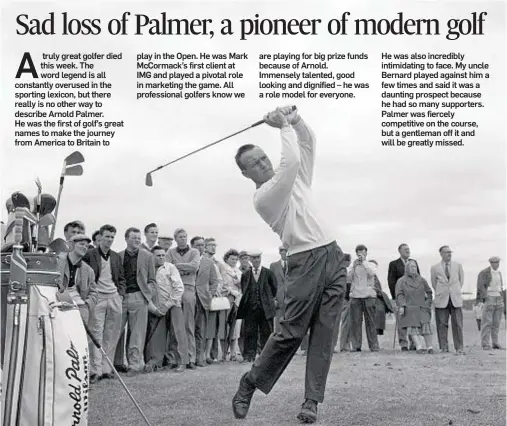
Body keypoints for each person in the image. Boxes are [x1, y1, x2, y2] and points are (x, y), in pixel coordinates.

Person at [231, 106, 347, 424]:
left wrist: (295, 121)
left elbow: (307, 144)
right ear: (246, 174)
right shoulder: (264, 196)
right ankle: (249, 383)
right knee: (290, 334)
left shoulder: (297, 180)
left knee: (325, 333)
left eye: (263, 157)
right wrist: (282, 125)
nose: (262, 163)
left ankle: (311, 402)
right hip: (304, 260)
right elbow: (292, 159)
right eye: (253, 164)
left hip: (334, 256)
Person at [84, 224, 126, 383]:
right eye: (107, 236)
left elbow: (121, 278)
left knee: (112, 333)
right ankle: (95, 370)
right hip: (98, 297)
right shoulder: (90, 255)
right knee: (96, 333)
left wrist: (120, 294)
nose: (109, 240)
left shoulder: (115, 256)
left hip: (114, 297)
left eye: (112, 237)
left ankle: (107, 368)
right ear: (100, 237)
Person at [114, 227, 157, 376]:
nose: (137, 240)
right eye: (134, 238)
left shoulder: (147, 256)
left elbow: (152, 279)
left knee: (137, 334)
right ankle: (113, 365)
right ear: (126, 239)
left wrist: (148, 294)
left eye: (139, 238)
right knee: (115, 331)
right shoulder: (118, 256)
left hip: (139, 297)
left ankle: (134, 365)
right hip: (121, 297)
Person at [145, 246, 188, 373]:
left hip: (173, 304)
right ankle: (157, 362)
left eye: (163, 255)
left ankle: (182, 362)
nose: (161, 258)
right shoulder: (149, 269)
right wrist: (155, 308)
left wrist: (167, 305)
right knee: (157, 335)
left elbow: (179, 288)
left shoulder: (170, 267)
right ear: (152, 256)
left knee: (177, 334)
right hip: (157, 307)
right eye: (158, 255)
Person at [166, 229, 201, 369]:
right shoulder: (170, 252)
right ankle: (176, 359)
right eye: (180, 237)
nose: (183, 239)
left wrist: (177, 267)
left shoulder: (194, 252)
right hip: (174, 289)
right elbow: (168, 269)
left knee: (188, 325)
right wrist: (182, 269)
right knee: (176, 326)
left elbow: (194, 267)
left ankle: (190, 358)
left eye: (185, 236)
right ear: (175, 238)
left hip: (188, 288)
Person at [236, 251, 277, 363]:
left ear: (261, 258)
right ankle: (249, 356)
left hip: (265, 309)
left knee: (267, 332)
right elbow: (245, 289)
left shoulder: (268, 273)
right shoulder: (245, 275)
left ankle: (266, 356)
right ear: (250, 259)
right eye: (253, 258)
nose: (256, 260)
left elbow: (274, 289)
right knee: (249, 332)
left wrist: (266, 301)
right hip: (250, 309)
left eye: (258, 258)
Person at [430, 246, 465, 354]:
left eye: (450, 252)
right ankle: (443, 347)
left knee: (458, 324)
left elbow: (461, 280)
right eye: (446, 252)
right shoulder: (435, 267)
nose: (449, 254)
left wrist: (455, 291)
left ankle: (459, 347)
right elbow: (434, 283)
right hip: (441, 299)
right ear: (441, 254)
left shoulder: (458, 266)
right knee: (441, 324)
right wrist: (442, 292)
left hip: (455, 298)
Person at [396, 260, 434, 353]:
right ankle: (419, 347)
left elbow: (429, 292)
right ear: (407, 268)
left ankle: (430, 347)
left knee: (426, 327)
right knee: (413, 328)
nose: (414, 268)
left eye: (415, 267)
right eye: (412, 267)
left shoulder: (422, 280)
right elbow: (399, 295)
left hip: (422, 307)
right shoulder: (401, 281)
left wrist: (428, 303)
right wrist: (402, 306)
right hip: (410, 307)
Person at [387, 244, 420, 351]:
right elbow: (391, 281)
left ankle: (414, 343)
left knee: (413, 320)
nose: (408, 251)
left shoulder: (413, 262)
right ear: (399, 251)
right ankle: (403, 344)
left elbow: (418, 279)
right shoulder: (393, 264)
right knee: (401, 321)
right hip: (400, 296)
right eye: (405, 249)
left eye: (408, 249)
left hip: (413, 297)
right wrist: (395, 297)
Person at [193, 237, 220, 367]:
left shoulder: (209, 263)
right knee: (187, 329)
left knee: (200, 330)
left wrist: (210, 294)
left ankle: (200, 357)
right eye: (197, 245)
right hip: (188, 299)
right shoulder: (187, 261)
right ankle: (188, 358)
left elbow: (214, 281)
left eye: (202, 245)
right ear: (192, 246)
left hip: (203, 300)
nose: (200, 248)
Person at [60, 234, 98, 323]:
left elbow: (94, 293)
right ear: (71, 245)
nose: (85, 247)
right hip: (58, 302)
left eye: (87, 246)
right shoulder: (57, 261)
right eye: (81, 244)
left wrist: (86, 304)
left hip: (79, 306)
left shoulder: (89, 270)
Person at [348, 245, 379, 352]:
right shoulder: (354, 265)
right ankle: (356, 346)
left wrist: (364, 262)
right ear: (356, 253)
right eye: (359, 253)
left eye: (363, 252)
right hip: (356, 296)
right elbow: (348, 278)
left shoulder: (371, 264)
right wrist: (353, 266)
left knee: (371, 322)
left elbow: (372, 273)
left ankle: (374, 346)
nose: (360, 255)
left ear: (366, 253)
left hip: (368, 296)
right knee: (355, 323)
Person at [220, 249, 243, 361]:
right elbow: (221, 284)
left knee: (235, 328)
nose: (234, 261)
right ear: (226, 259)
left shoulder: (238, 272)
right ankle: (224, 353)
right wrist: (230, 291)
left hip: (237, 300)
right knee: (224, 326)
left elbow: (243, 284)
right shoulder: (222, 269)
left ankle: (233, 353)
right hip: (226, 299)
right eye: (232, 259)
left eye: (235, 259)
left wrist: (238, 284)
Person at [477, 256, 504, 350]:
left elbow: (500, 286)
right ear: (491, 263)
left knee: (496, 322)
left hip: (499, 297)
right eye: (495, 262)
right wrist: (485, 297)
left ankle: (495, 342)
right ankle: (485, 343)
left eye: (498, 262)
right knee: (487, 322)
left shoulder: (499, 273)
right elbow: (480, 286)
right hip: (490, 297)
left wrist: (501, 297)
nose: (497, 264)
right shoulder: (484, 272)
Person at [269, 246, 288, 333]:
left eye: (286, 251)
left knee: (290, 325)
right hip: (278, 300)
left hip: (291, 300)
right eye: (282, 251)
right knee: (278, 327)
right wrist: (273, 299)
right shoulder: (273, 266)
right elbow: (270, 284)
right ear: (280, 252)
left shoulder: (294, 265)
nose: (284, 253)